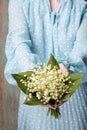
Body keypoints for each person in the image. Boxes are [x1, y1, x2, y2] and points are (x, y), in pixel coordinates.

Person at [4, 0, 87, 130]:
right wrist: (33, 76)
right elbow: (18, 41)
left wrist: (68, 69)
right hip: (34, 96)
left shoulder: (81, 3)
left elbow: (83, 45)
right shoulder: (19, 2)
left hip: (75, 97)